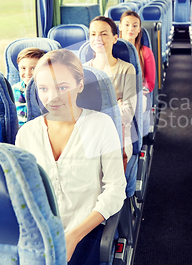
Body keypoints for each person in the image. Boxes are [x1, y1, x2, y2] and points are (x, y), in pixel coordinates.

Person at [15, 49, 126, 265]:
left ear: (80, 85)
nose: (52, 97)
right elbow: (23, 194)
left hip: (85, 229)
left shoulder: (100, 125)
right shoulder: (26, 134)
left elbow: (115, 189)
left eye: (62, 87)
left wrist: (73, 237)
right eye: (43, 89)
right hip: (39, 233)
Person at [86, 16, 137, 168]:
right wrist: (115, 105)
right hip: (88, 133)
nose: (98, 38)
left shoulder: (127, 69)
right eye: (93, 34)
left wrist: (93, 110)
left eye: (104, 34)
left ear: (115, 38)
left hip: (118, 132)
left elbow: (127, 114)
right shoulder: (83, 70)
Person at [12, 47, 46, 126]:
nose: (27, 73)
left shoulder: (46, 91)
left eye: (33, 68)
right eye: (23, 68)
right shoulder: (13, 90)